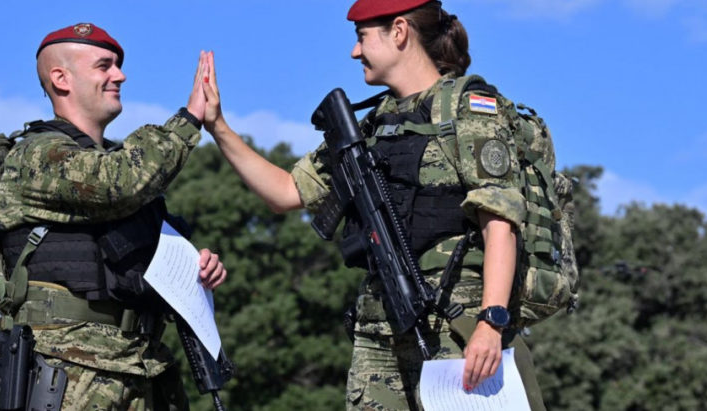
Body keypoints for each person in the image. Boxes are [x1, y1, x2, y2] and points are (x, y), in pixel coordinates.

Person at [198, 1, 545, 409]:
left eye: (362, 37)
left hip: (458, 326)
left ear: (399, 32)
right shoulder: (369, 127)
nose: (354, 52)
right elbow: (286, 191)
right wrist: (218, 127)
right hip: (379, 329)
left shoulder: (467, 109)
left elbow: (500, 219)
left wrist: (492, 320)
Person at [0, 23, 226, 409]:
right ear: (61, 78)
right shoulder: (36, 156)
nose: (120, 75)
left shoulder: (112, 163)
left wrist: (197, 270)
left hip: (140, 368)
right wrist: (190, 118)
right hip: (69, 376)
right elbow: (120, 182)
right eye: (104, 66)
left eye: (117, 65)